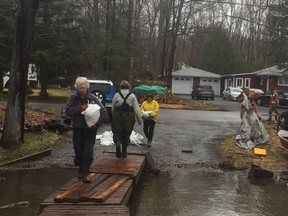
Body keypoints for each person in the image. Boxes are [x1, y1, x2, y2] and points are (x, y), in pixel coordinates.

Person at [66, 77, 108, 183]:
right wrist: (81, 108)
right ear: (77, 88)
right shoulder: (73, 98)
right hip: (78, 128)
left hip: (90, 130)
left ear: (87, 87)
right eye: (80, 88)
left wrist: (97, 124)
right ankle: (80, 168)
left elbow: (104, 112)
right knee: (78, 151)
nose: (82, 90)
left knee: (88, 151)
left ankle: (86, 174)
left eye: (84, 88)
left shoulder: (93, 98)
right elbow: (68, 111)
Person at [111, 80, 142, 158]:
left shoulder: (117, 95)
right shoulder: (132, 96)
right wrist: (139, 120)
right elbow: (136, 109)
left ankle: (118, 145)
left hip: (118, 116)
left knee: (117, 133)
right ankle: (124, 151)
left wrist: (113, 117)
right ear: (129, 87)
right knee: (127, 133)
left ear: (120, 87)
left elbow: (113, 107)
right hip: (129, 117)